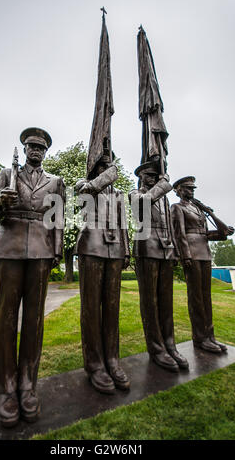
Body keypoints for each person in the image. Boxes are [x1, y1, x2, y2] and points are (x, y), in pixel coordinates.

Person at [0, 127, 65, 427]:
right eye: (31, 146)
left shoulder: (55, 181)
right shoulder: (8, 173)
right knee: (5, 320)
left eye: (40, 148)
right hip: (9, 246)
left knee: (34, 320)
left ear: (45, 152)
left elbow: (57, 218)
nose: (35, 151)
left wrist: (56, 251)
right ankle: (5, 389)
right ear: (25, 148)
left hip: (41, 252)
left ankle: (27, 385)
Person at [75, 147, 130, 394]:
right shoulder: (85, 185)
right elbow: (80, 200)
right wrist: (96, 180)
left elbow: (124, 224)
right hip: (92, 246)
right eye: (102, 164)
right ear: (95, 167)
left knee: (111, 307)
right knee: (90, 308)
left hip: (115, 248)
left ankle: (113, 360)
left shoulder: (118, 193)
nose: (107, 167)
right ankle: (95, 364)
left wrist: (126, 250)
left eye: (110, 163)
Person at [129, 156, 188, 372]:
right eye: (149, 176)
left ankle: (169, 344)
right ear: (141, 178)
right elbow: (143, 204)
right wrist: (164, 185)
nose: (153, 179)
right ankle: (156, 348)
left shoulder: (163, 199)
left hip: (166, 249)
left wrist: (175, 249)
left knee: (166, 300)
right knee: (150, 301)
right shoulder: (136, 194)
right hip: (147, 248)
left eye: (156, 176)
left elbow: (170, 227)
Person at [171, 176, 234, 353]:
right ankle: (200, 338)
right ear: (179, 190)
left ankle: (210, 336)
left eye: (193, 189)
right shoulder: (177, 207)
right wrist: (185, 255)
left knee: (206, 297)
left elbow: (205, 233)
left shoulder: (199, 209)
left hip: (204, 253)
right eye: (188, 188)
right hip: (191, 253)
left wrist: (222, 230)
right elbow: (179, 234)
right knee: (196, 297)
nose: (191, 191)